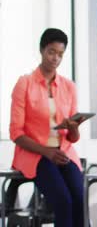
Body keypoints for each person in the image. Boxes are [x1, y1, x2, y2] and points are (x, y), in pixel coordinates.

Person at [9, 28, 84, 226]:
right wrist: (47, 152)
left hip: (63, 152)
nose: (55, 58)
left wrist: (74, 127)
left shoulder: (69, 87)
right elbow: (16, 132)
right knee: (63, 202)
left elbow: (72, 138)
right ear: (42, 50)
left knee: (79, 199)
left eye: (60, 54)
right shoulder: (24, 84)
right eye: (51, 52)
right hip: (35, 153)